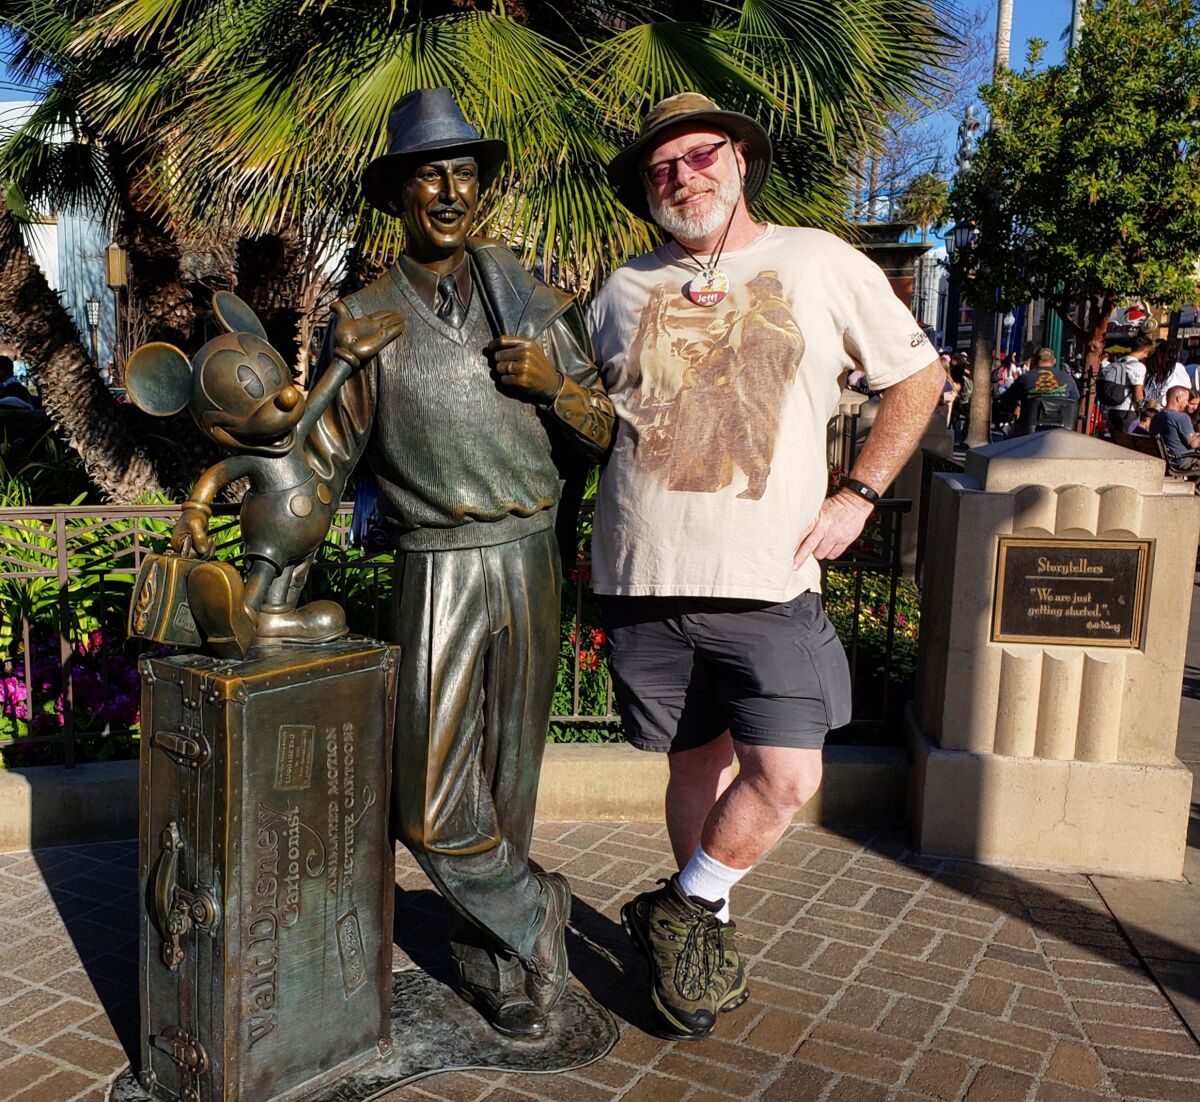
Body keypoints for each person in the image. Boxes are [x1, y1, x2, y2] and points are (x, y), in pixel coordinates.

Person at [586, 92, 944, 1040]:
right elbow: (583, 419)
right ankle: (703, 947)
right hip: (642, 576)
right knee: (693, 765)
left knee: (786, 775)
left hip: (769, 576)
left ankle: (685, 905)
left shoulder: (818, 260)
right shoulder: (622, 287)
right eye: (662, 169)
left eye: (700, 157)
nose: (683, 178)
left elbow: (920, 375)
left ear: (741, 159)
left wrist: (859, 494)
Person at [321, 89, 615, 1039]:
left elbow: (607, 433)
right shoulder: (367, 317)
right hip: (437, 564)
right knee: (427, 799)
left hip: (529, 553)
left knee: (509, 775)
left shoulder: (531, 298)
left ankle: (506, 966)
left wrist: (556, 386)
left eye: (463, 174)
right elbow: (328, 453)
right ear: (397, 195)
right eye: (428, 176)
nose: (448, 192)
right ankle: (537, 909)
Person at [993, 347, 1079, 431]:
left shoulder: (1025, 378)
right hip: (1061, 431)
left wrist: (1018, 404)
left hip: (1029, 432)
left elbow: (1007, 399)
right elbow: (1075, 399)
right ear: (1054, 361)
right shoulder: (1068, 379)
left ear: (1034, 361)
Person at [1098, 335, 1152, 437]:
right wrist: (1142, 407)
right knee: (1125, 444)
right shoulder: (1138, 366)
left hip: (1110, 409)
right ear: (1144, 349)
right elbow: (1138, 394)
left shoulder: (1118, 362)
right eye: (1146, 352)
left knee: (1114, 441)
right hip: (1126, 411)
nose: (1146, 355)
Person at [1149, 385, 1200, 470]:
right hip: (1180, 460)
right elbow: (1194, 443)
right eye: (1187, 400)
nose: (1187, 403)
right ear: (1178, 399)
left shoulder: (1156, 417)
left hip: (1165, 460)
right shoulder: (1181, 417)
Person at [1143, 340, 1191, 405]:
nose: (1160, 359)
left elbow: (1186, 389)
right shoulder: (1154, 371)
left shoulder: (1177, 368)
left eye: (1163, 356)